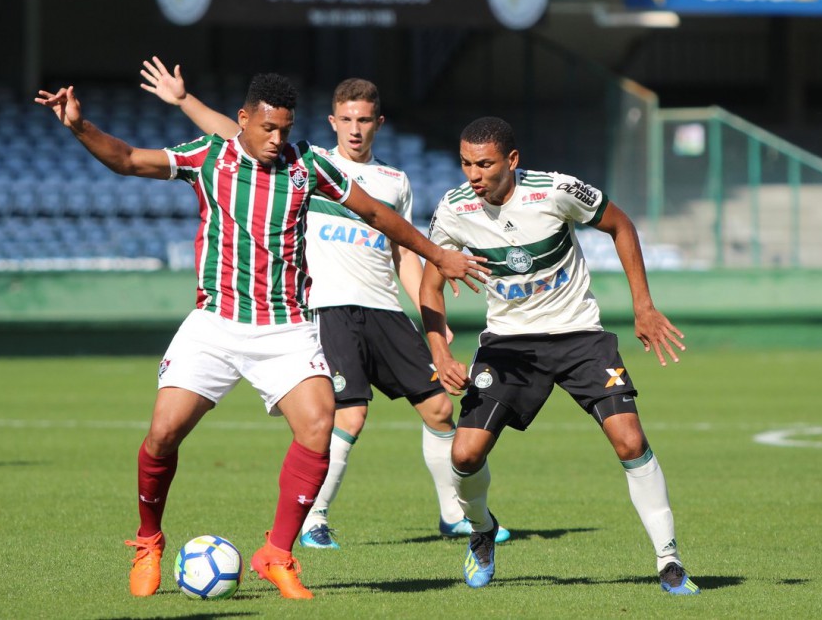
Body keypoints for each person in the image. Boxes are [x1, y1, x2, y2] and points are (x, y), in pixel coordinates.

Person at [35, 76, 488, 600]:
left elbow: (376, 213)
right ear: (244, 119)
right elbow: (130, 159)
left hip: (286, 326)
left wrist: (438, 255)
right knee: (162, 434)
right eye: (268, 127)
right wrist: (79, 127)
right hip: (216, 323)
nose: (277, 139)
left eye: (285, 129)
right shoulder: (209, 157)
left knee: (320, 426)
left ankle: (277, 552)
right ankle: (148, 540)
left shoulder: (308, 166)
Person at [138, 58, 510, 548]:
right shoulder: (304, 164)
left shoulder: (395, 181)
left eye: (365, 120)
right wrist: (185, 100)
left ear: (380, 123)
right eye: (347, 120)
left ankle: (452, 514)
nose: (356, 130)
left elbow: (404, 253)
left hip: (384, 309)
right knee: (348, 415)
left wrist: (433, 331)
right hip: (326, 307)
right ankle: (313, 519)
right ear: (333, 122)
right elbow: (238, 135)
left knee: (441, 409)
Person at [419, 116, 700, 595]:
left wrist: (644, 307)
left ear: (512, 160)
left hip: (579, 336)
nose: (473, 175)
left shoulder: (556, 191)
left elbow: (620, 224)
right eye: (466, 163)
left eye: (484, 164)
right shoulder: (453, 209)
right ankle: (482, 531)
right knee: (464, 455)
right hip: (508, 345)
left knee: (630, 442)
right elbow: (431, 282)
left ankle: (669, 561)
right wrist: (440, 351)